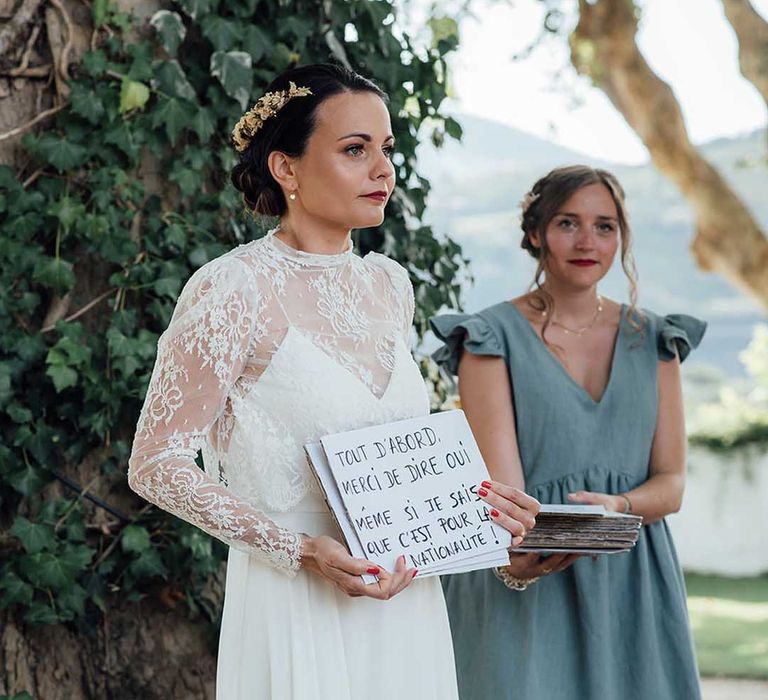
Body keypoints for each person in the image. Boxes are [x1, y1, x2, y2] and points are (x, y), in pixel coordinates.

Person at [127, 63, 539, 700]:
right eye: (355, 150)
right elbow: (156, 463)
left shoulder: (389, 285)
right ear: (285, 168)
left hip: (405, 598)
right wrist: (299, 551)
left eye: (387, 150)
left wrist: (478, 505)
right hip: (296, 600)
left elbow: (399, 455)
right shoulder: (232, 289)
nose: (383, 170)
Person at [430, 165, 705, 700]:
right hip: (526, 573)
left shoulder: (655, 340)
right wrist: (533, 552)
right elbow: (504, 497)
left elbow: (671, 485)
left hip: (632, 580)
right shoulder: (490, 338)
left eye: (605, 226)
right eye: (567, 223)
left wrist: (618, 508)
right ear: (536, 234)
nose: (587, 241)